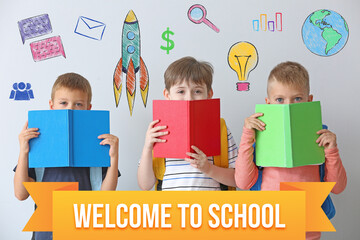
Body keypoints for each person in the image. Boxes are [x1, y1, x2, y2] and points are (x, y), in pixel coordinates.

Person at [235, 61, 347, 240]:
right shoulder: (259, 135)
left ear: (309, 100)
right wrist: (247, 137)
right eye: (280, 100)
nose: (288, 106)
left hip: (306, 227)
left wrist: (332, 151)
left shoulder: (320, 135)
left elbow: (338, 188)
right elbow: (242, 182)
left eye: (297, 99)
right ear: (268, 103)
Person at [14, 73, 120, 240]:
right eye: (63, 103)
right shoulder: (38, 143)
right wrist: (23, 151)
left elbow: (106, 196)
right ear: (52, 105)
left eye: (78, 104)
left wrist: (114, 158)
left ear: (88, 108)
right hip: (46, 233)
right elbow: (21, 194)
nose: (70, 109)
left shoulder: (97, 142)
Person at [138, 56, 237, 191]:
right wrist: (147, 147)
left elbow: (237, 179)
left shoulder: (220, 128)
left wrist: (208, 168)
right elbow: (145, 185)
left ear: (209, 94)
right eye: (181, 91)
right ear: (167, 95)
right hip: (171, 210)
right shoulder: (159, 130)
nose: (189, 98)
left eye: (197, 91)